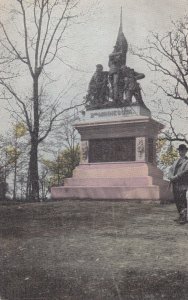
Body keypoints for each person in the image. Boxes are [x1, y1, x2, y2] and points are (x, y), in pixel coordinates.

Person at [168, 144, 188, 224]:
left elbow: (186, 171)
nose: (181, 152)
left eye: (183, 150)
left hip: (182, 183)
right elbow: (171, 169)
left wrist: (176, 176)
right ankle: (180, 215)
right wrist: (170, 176)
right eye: (180, 150)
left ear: (186, 151)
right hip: (175, 183)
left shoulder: (187, 161)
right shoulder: (176, 161)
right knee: (177, 200)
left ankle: (184, 217)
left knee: (182, 199)